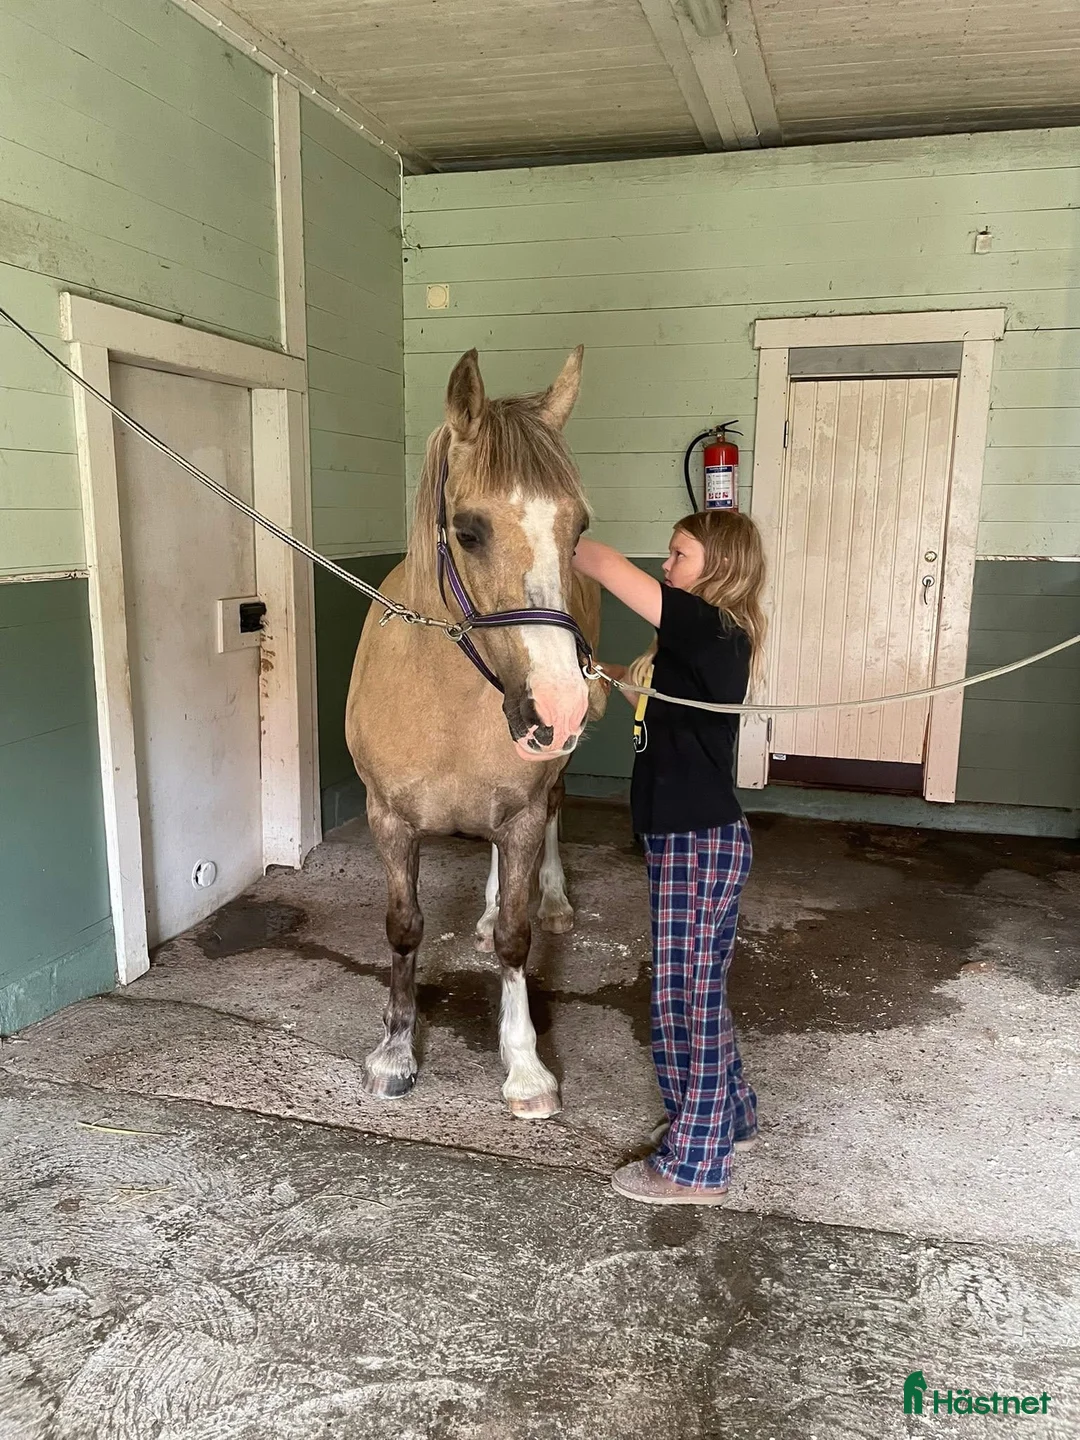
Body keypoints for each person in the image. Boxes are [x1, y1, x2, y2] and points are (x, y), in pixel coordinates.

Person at [572, 509, 767, 1205]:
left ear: (717, 567)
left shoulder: (712, 626)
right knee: (696, 991)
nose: (666, 565)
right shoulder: (689, 648)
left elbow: (604, 566)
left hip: (698, 842)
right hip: (684, 839)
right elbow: (649, 688)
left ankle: (696, 1166)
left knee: (685, 1002)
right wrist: (601, 670)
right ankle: (731, 1115)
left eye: (678, 555)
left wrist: (549, 538)